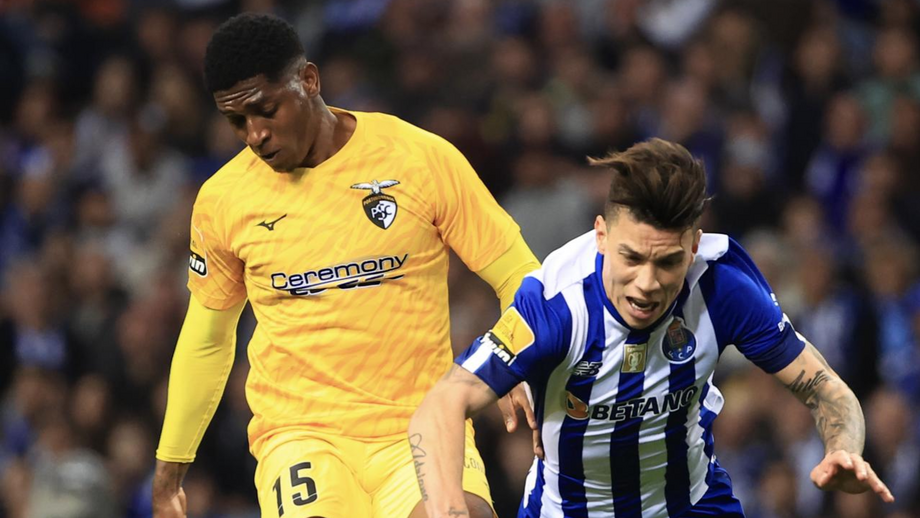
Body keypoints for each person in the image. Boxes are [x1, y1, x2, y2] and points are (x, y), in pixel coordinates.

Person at [151, 13, 541, 518]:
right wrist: (170, 469)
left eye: (265, 110)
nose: (254, 134)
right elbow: (208, 338)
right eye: (236, 121)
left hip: (423, 421)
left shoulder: (418, 158)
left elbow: (519, 274)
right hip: (301, 436)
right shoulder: (224, 199)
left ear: (309, 81)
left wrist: (513, 360)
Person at [409, 138, 895, 518]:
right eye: (632, 258)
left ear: (694, 246)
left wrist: (844, 448)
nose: (647, 284)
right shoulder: (557, 306)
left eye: (667, 262)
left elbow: (826, 389)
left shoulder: (722, 288)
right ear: (601, 235)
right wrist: (449, 510)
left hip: (692, 504)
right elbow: (441, 405)